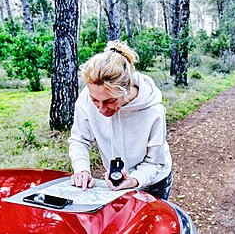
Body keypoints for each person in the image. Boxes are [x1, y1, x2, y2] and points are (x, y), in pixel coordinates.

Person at [68, 40, 173, 200]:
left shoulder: (153, 111)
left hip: (153, 183)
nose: (101, 110)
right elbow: (79, 139)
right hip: (116, 182)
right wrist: (82, 169)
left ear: (127, 89)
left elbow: (155, 162)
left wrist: (134, 180)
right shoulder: (86, 98)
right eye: (95, 100)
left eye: (109, 101)